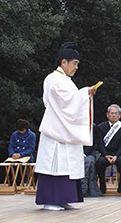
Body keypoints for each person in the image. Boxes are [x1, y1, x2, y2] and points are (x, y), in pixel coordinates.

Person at [34, 41, 96, 211]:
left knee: (67, 165)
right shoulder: (53, 79)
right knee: (55, 164)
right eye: (74, 63)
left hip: (64, 127)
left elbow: (71, 101)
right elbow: (65, 102)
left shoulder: (65, 80)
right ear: (64, 62)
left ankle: (63, 198)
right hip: (56, 129)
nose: (76, 67)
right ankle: (50, 200)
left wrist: (85, 94)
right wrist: (85, 93)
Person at [94, 104, 121, 195]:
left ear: (119, 115)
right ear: (107, 114)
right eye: (112, 113)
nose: (114, 115)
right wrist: (106, 155)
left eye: (116, 113)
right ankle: (102, 185)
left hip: (120, 153)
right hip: (106, 153)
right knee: (99, 163)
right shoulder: (101, 127)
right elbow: (100, 143)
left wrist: (116, 156)